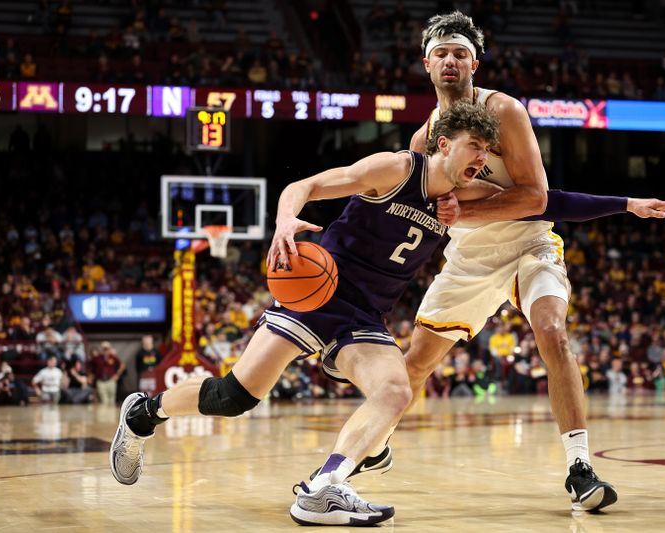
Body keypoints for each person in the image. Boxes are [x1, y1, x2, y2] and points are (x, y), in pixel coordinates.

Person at [322, 11, 665, 514]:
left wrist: (466, 209)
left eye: (460, 52)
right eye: (441, 53)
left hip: (529, 242)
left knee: (552, 331)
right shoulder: (422, 144)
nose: (451, 60)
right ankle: (375, 446)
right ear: (427, 64)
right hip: (470, 255)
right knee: (415, 364)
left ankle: (580, 467)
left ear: (475, 61)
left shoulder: (504, 111)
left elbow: (536, 197)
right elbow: (417, 225)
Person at [111, 101, 503, 526]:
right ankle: (142, 413)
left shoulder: (465, 198)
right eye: (475, 146)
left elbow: (541, 200)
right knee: (233, 397)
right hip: (317, 293)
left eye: (487, 150)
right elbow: (306, 185)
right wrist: (284, 222)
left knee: (396, 391)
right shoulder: (396, 169)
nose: (483, 158)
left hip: (364, 316)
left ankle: (325, 487)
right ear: (444, 144)